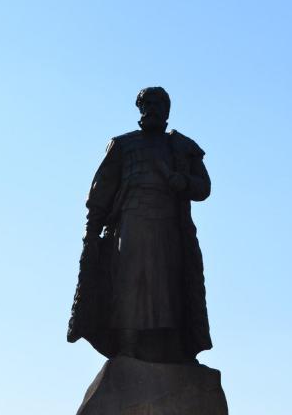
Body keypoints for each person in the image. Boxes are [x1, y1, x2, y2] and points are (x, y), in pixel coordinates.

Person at [67, 85, 212, 363]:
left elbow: (203, 188)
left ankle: (172, 345)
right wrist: (91, 233)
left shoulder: (181, 147)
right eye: (149, 104)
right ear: (140, 109)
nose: (154, 109)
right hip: (131, 221)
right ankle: (128, 344)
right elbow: (100, 191)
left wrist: (184, 182)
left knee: (169, 284)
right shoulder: (123, 145)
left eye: (160, 104)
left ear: (167, 110)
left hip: (169, 225)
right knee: (129, 282)